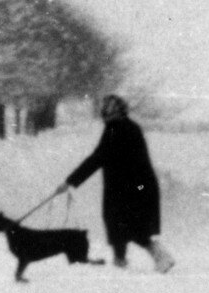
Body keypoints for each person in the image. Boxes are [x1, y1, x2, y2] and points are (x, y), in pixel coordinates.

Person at [60, 94, 174, 272]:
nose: (104, 113)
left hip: (131, 187)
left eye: (107, 110)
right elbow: (102, 158)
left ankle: (141, 259)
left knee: (124, 225)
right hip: (136, 186)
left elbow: (97, 158)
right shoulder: (127, 127)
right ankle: (124, 261)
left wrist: (70, 181)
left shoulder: (117, 129)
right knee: (122, 226)